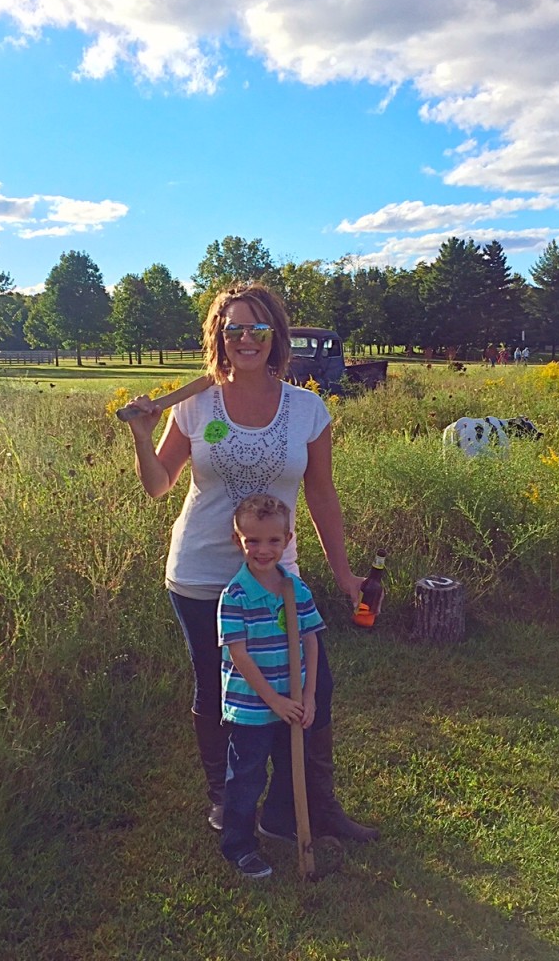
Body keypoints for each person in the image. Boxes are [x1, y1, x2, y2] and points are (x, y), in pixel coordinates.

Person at [123, 281, 378, 843]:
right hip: (201, 574)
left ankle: (306, 807)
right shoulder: (194, 405)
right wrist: (143, 437)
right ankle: (226, 802)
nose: (245, 338)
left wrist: (342, 572)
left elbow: (321, 495)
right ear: (219, 337)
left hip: (276, 575)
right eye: (233, 328)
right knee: (219, 690)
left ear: (274, 337)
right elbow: (159, 486)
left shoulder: (308, 409)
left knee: (314, 682)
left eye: (257, 328)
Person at [218, 494, 324, 878]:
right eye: (253, 541)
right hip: (253, 707)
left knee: (290, 766)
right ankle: (239, 845)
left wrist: (307, 697)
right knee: (247, 776)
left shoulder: (295, 589)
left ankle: (277, 821)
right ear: (238, 541)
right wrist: (274, 701)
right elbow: (240, 657)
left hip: (293, 702)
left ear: (288, 539)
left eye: (273, 541)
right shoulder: (235, 596)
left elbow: (311, 640)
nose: (263, 550)